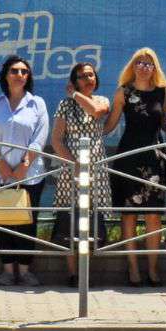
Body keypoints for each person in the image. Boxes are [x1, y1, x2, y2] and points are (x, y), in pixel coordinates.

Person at [103, 47, 166, 287]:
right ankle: (133, 269)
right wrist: (88, 131)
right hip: (129, 158)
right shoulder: (123, 92)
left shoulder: (162, 92)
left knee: (154, 216)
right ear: (132, 66)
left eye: (148, 63)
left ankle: (152, 269)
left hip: (155, 159)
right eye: (139, 63)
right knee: (129, 214)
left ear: (154, 68)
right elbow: (110, 125)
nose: (143, 67)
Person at [0, 55, 50, 287]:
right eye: (14, 71)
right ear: (5, 75)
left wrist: (24, 165)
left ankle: (25, 271)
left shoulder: (37, 103)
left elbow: (39, 139)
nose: (19, 75)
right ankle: (8, 271)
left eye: (24, 71)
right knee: (3, 222)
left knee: (27, 223)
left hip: (29, 175)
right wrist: (2, 165)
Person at [51, 62, 111, 288]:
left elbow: (95, 112)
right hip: (71, 170)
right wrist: (73, 164)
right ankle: (72, 273)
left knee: (92, 221)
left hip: (96, 170)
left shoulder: (102, 100)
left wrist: (76, 95)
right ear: (74, 81)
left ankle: (86, 272)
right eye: (82, 76)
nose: (88, 79)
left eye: (91, 75)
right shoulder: (64, 105)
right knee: (70, 220)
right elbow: (56, 139)